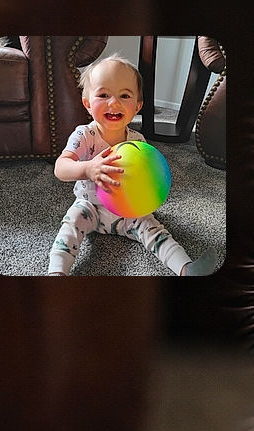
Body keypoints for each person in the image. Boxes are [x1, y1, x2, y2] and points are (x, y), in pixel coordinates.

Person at [47, 54, 215, 277]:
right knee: (69, 227)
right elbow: (60, 167)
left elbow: (149, 176)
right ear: (87, 103)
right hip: (89, 206)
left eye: (124, 95)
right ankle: (57, 272)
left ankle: (186, 268)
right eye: (103, 94)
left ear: (137, 106)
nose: (113, 102)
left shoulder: (137, 141)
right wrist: (87, 168)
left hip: (127, 210)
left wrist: (150, 192)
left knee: (154, 229)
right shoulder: (84, 135)